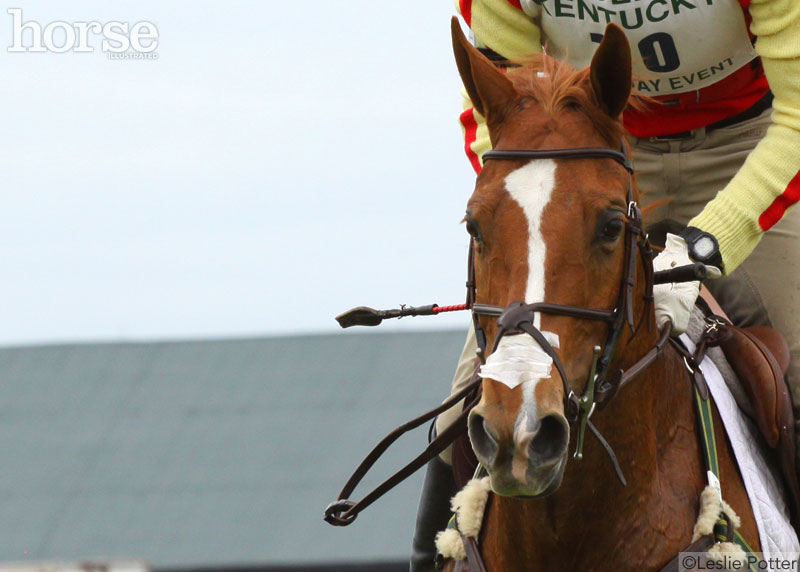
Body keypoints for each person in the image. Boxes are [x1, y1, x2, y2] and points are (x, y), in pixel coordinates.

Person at [410, 1, 800, 570]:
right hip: (589, 154)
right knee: (463, 402)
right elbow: (498, 123)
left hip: (749, 145)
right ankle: (429, 559)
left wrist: (709, 244)